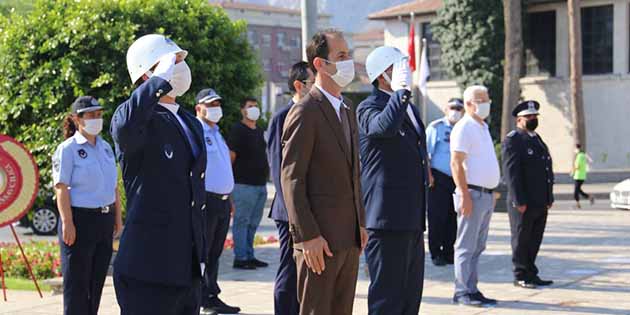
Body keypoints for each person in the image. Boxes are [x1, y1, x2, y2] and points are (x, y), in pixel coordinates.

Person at [110, 34, 207, 315]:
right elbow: (126, 129)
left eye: (179, 61)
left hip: (185, 267)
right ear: (146, 75)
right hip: (148, 268)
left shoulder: (189, 121)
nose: (178, 67)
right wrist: (158, 81)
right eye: (170, 62)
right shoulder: (134, 119)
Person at [281, 29, 368, 315]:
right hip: (318, 242)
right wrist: (307, 236)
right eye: (341, 56)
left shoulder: (346, 109)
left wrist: (361, 223)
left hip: (348, 237)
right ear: (319, 64)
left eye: (349, 55)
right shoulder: (306, 110)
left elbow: (352, 173)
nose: (348, 62)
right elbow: (292, 178)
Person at [357, 46, 429, 315]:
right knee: (387, 300)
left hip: (411, 218)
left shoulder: (408, 107)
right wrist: (399, 93)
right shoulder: (368, 107)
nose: (406, 72)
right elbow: (383, 129)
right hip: (385, 220)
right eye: (400, 66)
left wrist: (402, 97)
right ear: (384, 73)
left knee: (410, 299)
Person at [52, 96, 123, 315]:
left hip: (104, 219)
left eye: (99, 114)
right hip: (79, 221)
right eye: (91, 115)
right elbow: (61, 187)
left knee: (96, 283)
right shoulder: (68, 149)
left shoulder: (106, 148)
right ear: (77, 119)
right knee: (77, 285)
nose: (96, 119)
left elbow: (113, 188)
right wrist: (67, 222)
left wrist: (117, 219)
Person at [267, 61, 314, 315]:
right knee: (289, 268)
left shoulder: (315, 113)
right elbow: (278, 167)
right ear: (299, 85)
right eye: (312, 82)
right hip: (289, 210)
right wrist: (292, 208)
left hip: (311, 208)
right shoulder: (282, 117)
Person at [450, 85, 500, 307]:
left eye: (487, 99)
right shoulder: (464, 127)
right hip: (471, 193)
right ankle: (462, 291)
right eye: (481, 99)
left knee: (478, 246)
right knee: (465, 246)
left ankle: (472, 288)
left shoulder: (482, 127)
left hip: (486, 195)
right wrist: (464, 194)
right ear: (469, 103)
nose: (486, 103)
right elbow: (456, 162)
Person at [194, 88, 240, 315]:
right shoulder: (197, 132)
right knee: (203, 251)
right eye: (210, 105)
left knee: (215, 252)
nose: (215, 109)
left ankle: (212, 295)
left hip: (221, 202)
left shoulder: (216, 132)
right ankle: (201, 298)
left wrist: (229, 197)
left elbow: (223, 168)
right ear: (198, 108)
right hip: (206, 201)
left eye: (216, 105)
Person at [502, 100, 555, 289]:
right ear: (519, 120)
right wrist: (518, 200)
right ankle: (520, 274)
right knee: (521, 239)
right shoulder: (513, 140)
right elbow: (511, 173)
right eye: (528, 117)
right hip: (523, 201)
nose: (533, 119)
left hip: (540, 200)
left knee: (535, 239)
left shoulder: (537, 139)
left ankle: (532, 272)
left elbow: (546, 170)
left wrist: (549, 197)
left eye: (534, 116)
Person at [228, 97, 269, 269]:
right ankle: (241, 257)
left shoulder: (259, 131)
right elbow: (231, 158)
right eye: (250, 106)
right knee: (241, 222)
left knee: (253, 223)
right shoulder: (238, 130)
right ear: (242, 110)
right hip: (243, 185)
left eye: (256, 106)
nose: (254, 109)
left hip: (260, 185)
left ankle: (249, 255)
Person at [426, 98, 464, 266]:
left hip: (456, 179)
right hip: (438, 178)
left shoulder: (463, 129)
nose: (455, 110)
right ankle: (436, 253)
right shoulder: (436, 128)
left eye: (459, 108)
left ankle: (449, 252)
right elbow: (426, 154)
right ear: (446, 109)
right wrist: (429, 176)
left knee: (451, 218)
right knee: (437, 217)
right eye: (452, 107)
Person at [573, 144, 595, 208]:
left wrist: (573, 171)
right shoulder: (583, 155)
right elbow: (590, 161)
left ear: (577, 149)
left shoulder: (579, 156)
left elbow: (577, 166)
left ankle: (578, 204)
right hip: (582, 176)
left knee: (576, 191)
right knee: (578, 190)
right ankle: (589, 197)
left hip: (578, 176)